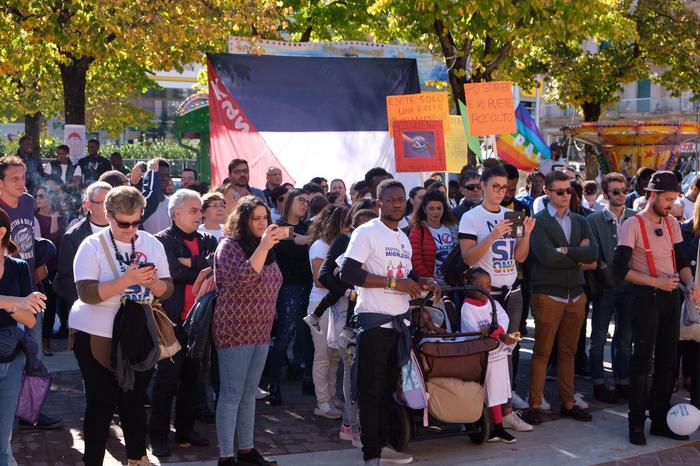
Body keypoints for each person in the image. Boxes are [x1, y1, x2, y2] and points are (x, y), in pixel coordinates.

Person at [339, 179, 440, 466]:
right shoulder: (366, 232)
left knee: (387, 391)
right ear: (379, 203)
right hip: (374, 326)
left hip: (399, 325)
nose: (397, 203)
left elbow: (407, 275)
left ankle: (382, 446)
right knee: (370, 391)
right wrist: (396, 283)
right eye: (391, 199)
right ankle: (371, 454)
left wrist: (426, 282)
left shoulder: (402, 237)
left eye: (401, 199)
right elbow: (348, 272)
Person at [70, 186, 173, 465]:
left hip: (137, 332)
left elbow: (167, 289)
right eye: (123, 223)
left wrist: (155, 284)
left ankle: (138, 459)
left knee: (134, 400)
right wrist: (126, 281)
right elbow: (87, 293)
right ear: (108, 215)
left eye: (136, 222)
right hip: (95, 332)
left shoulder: (152, 243)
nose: (130, 229)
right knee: (101, 403)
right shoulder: (91, 245)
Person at [613, 170, 696, 445]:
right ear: (653, 195)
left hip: (670, 298)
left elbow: (682, 258)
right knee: (641, 362)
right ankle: (636, 422)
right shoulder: (632, 225)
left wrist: (691, 283)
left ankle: (660, 420)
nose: (672, 204)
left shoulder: (672, 222)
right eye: (668, 199)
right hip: (645, 298)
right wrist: (655, 282)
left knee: (667, 362)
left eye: (674, 198)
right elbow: (619, 270)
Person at [459, 164, 536, 428]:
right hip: (485, 296)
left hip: (511, 290)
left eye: (504, 187)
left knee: (509, 351)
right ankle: (479, 411)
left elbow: (520, 257)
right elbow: (468, 257)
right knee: (483, 352)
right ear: (482, 186)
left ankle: (505, 411)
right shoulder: (472, 217)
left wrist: (526, 236)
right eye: (495, 186)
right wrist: (493, 235)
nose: (500, 192)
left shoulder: (510, 214)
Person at [214, 195, 283, 466]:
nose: (262, 223)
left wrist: (266, 246)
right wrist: (264, 247)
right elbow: (243, 281)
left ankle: (246, 450)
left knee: (249, 393)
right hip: (235, 330)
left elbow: (274, 281)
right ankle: (226, 456)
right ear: (242, 220)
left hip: (261, 330)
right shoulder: (229, 247)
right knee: (231, 393)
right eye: (255, 218)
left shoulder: (268, 248)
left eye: (265, 218)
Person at [526, 170, 598, 425]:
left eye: (569, 191)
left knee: (569, 352)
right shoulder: (538, 221)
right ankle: (535, 403)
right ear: (547, 192)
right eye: (560, 191)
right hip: (548, 293)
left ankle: (568, 402)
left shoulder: (580, 220)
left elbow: (593, 254)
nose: (566, 195)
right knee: (542, 352)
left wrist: (568, 251)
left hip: (576, 294)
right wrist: (577, 255)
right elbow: (547, 257)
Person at [150, 190, 218, 457]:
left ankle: (186, 430)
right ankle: (157, 435)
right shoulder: (161, 241)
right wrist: (199, 267)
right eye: (193, 210)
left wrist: (194, 264)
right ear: (176, 212)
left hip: (200, 320)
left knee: (192, 379)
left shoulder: (208, 238)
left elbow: (216, 266)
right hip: (172, 320)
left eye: (200, 209)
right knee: (167, 380)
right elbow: (172, 272)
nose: (199, 215)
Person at [0, 207, 47, 465]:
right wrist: (16, 301)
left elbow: (30, 319)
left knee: (3, 445)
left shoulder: (18, 268)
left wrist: (9, 304)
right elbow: (24, 307)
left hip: (10, 363)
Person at [586, 172, 635, 404]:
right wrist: (605, 268)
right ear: (606, 194)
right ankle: (599, 382)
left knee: (625, 337)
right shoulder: (593, 220)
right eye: (616, 191)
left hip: (631, 285)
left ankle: (623, 380)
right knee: (598, 336)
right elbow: (593, 251)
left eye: (624, 190)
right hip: (605, 286)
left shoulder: (635, 217)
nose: (622, 195)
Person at [461, 268, 519, 443]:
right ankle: (483, 426)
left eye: (487, 285)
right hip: (481, 357)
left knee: (498, 391)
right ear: (469, 286)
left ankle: (499, 427)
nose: (484, 289)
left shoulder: (492, 303)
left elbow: (503, 319)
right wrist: (494, 333)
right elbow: (472, 330)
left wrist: (499, 332)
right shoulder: (466, 308)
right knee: (485, 391)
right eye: (479, 285)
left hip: (497, 354)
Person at [267, 188, 313, 405]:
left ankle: (308, 378)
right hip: (288, 287)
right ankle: (273, 384)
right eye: (301, 200)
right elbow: (292, 249)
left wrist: (306, 238)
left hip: (310, 285)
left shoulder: (310, 227)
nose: (304, 204)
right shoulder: (277, 228)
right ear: (290, 202)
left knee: (309, 334)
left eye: (307, 201)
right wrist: (304, 240)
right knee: (285, 335)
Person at [54, 182, 112, 340]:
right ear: (88, 205)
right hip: (89, 313)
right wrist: (87, 304)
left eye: (112, 201)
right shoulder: (73, 237)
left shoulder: (127, 229)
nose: (110, 207)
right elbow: (67, 279)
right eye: (104, 203)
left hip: (120, 311)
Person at [305, 205, 347, 419]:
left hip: (337, 306)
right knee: (322, 356)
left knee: (335, 357)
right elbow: (319, 279)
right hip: (320, 306)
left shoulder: (341, 245)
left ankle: (332, 397)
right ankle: (322, 402)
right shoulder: (320, 246)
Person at [34, 186, 66, 356]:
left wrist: (54, 220)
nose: (37, 198)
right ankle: (40, 341)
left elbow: (57, 241)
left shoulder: (59, 217)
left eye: (41, 196)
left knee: (52, 305)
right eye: (36, 196)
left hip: (55, 268)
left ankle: (46, 342)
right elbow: (45, 242)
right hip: (38, 267)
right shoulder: (33, 217)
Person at [408, 189, 458, 287]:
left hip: (454, 285)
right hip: (431, 288)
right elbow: (416, 260)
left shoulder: (454, 228)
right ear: (424, 209)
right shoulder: (417, 230)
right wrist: (430, 282)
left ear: (444, 209)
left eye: (439, 208)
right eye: (431, 208)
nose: (435, 212)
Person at [142, 158, 171, 235]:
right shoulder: (142, 205)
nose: (164, 178)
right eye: (160, 175)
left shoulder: (172, 204)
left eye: (167, 176)